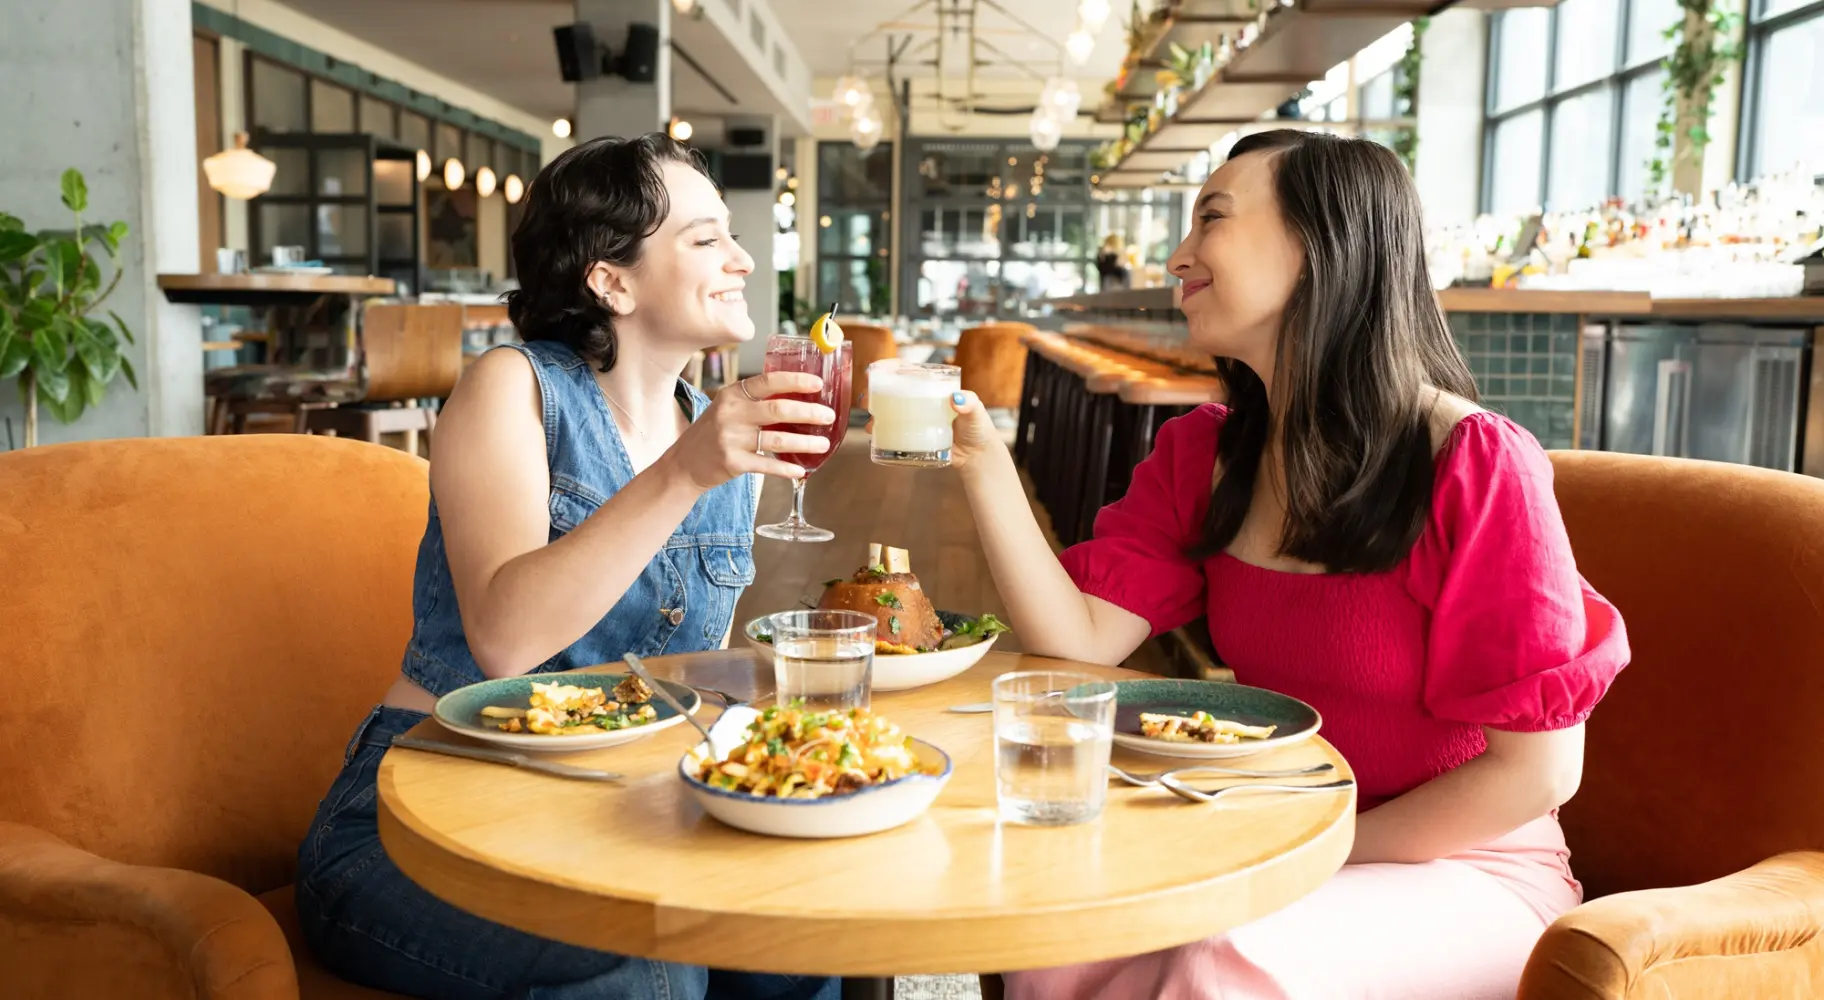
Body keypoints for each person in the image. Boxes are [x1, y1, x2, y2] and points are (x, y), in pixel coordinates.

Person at [947, 129, 1629, 999]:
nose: (1179, 254)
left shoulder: (1472, 462)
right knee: (1056, 931)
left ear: (1319, 246)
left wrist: (1299, 844)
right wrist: (982, 463)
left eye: (1212, 219)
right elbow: (1080, 640)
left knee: (1214, 964)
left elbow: (1534, 773)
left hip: (1469, 867)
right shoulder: (1206, 454)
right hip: (1281, 832)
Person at [294, 133, 839, 1000]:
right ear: (609, 279)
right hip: (418, 825)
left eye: (730, 234)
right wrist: (686, 471)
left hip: (601, 817)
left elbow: (675, 676)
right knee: (646, 975)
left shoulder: (716, 430)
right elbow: (507, 641)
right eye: (704, 239)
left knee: (804, 942)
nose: (740, 259)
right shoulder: (512, 390)